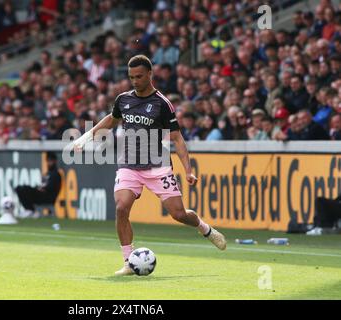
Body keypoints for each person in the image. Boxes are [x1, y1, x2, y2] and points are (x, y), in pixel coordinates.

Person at [73, 55, 226, 276]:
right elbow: (111, 118)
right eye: (131, 77)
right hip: (129, 165)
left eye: (139, 76)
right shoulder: (123, 100)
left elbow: (177, 139)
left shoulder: (162, 104)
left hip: (157, 166)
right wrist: (87, 136)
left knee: (179, 214)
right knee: (121, 208)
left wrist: (188, 171)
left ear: (150, 74)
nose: (135, 81)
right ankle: (128, 261)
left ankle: (205, 228)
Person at [15, 152, 62, 218]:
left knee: (25, 189)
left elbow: (51, 188)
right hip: (41, 194)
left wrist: (42, 189)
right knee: (19, 188)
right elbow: (42, 185)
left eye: (51, 161)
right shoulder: (47, 173)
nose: (49, 163)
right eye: (48, 161)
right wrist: (38, 188)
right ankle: (29, 209)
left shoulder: (56, 174)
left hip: (48, 197)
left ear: (55, 161)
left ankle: (31, 210)